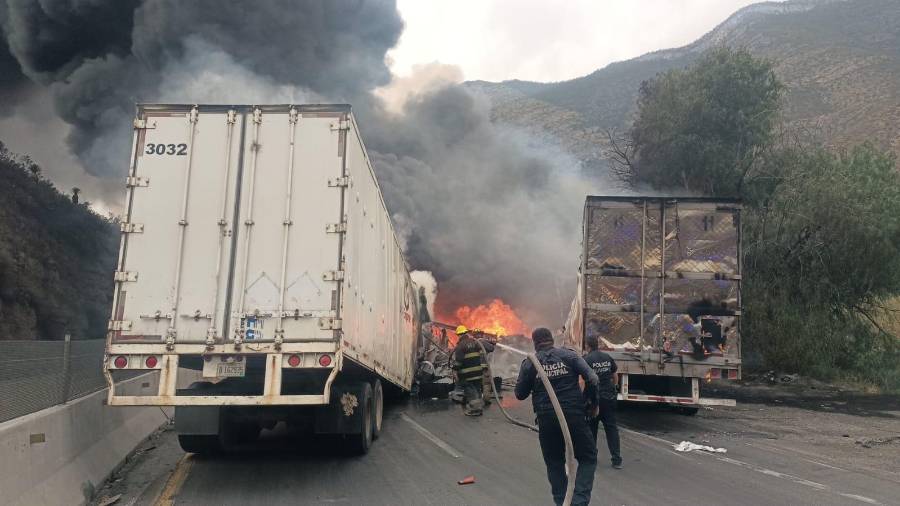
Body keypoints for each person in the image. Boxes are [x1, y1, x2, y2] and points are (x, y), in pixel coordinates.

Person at [515, 327, 599, 506]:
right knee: (588, 457)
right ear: (551, 340)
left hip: (546, 419)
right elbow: (593, 378)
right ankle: (579, 502)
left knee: (554, 463)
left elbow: (520, 394)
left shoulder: (530, 363)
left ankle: (562, 502)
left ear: (535, 343)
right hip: (574, 416)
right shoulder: (570, 356)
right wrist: (590, 403)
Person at [583, 334, 623, 469]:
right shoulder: (607, 357)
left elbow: (582, 381)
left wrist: (582, 398)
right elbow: (614, 375)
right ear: (597, 345)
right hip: (609, 398)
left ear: (587, 346)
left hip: (594, 400)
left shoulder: (586, 360)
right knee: (611, 429)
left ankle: (592, 458)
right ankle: (616, 459)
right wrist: (614, 388)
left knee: (591, 429)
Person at [452, 325, 494, 416]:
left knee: (471, 392)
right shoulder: (475, 342)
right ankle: (479, 407)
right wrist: (491, 342)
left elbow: (458, 362)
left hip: (467, 375)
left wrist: (454, 370)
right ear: (466, 333)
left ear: (459, 335)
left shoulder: (460, 346)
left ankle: (475, 410)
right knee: (477, 390)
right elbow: (489, 348)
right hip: (478, 373)